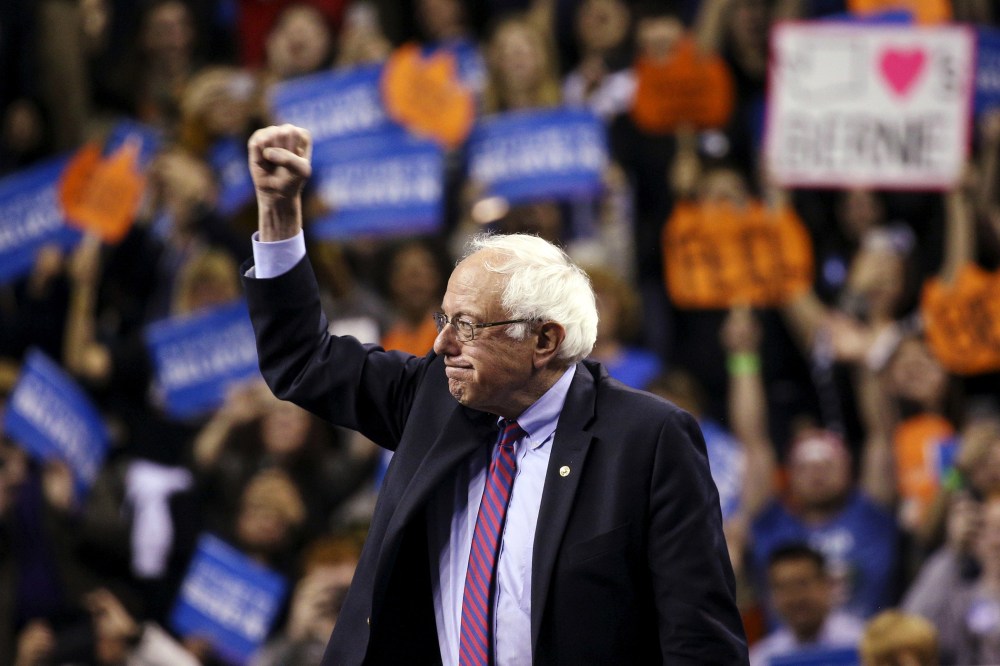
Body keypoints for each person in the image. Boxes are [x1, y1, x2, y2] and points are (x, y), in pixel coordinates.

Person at [241, 123, 748, 664]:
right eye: (444, 318)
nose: (440, 344)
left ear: (544, 339)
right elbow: (302, 359)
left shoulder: (647, 440)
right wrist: (278, 212)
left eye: (467, 325)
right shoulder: (432, 398)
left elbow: (699, 642)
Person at [749, 544, 864, 666]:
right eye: (784, 587)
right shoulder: (761, 659)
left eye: (802, 584)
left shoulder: (862, 642)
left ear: (826, 585)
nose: (795, 597)